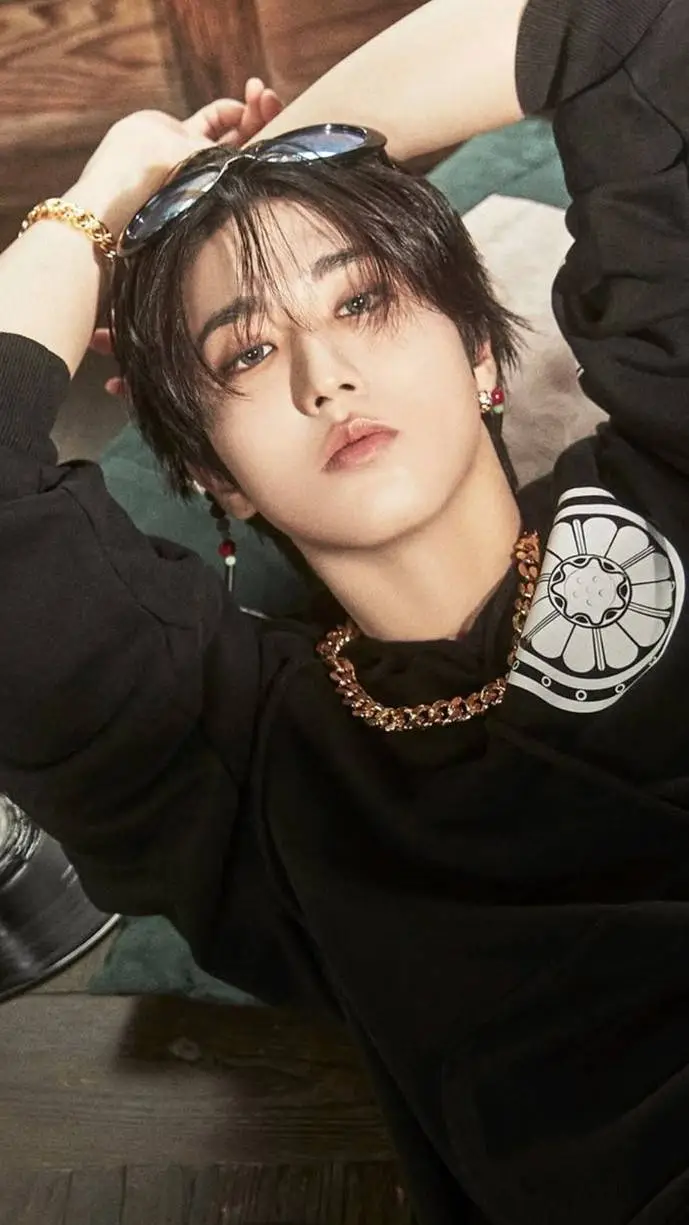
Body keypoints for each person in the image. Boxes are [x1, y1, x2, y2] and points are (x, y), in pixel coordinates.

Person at [1, 0, 689, 1222]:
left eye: (360, 300)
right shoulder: (233, 766)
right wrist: (102, 201)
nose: (326, 377)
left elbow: (622, 26)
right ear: (208, 472)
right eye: (245, 353)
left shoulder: (670, 468)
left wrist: (252, 175)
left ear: (479, 351)